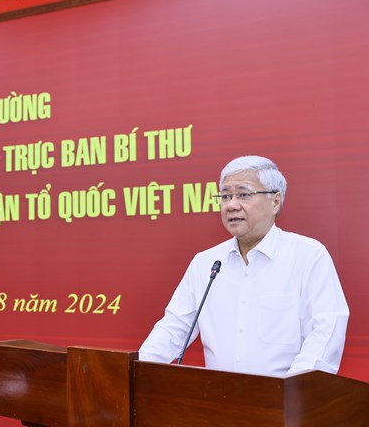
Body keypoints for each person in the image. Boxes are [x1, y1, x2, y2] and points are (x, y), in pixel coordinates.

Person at [139, 155, 349, 376]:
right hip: (220, 401)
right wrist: (136, 372)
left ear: (275, 201)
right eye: (226, 195)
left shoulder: (308, 256)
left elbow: (326, 332)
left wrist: (291, 393)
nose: (231, 205)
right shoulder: (206, 263)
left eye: (244, 194)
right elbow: (174, 327)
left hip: (287, 402)